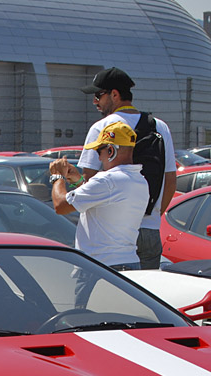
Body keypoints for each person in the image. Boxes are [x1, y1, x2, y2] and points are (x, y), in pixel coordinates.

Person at [75, 67, 177, 270]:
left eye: (98, 95)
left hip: (111, 237)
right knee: (144, 298)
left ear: (115, 94)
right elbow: (171, 181)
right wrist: (150, 214)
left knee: (101, 298)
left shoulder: (102, 127)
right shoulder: (159, 126)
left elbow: (89, 178)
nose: (95, 101)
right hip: (149, 229)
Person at [49, 121, 149, 281]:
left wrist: (57, 176)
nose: (99, 157)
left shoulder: (107, 180)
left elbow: (60, 206)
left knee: (84, 307)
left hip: (99, 267)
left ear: (110, 150)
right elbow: (103, 201)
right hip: (129, 264)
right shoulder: (140, 180)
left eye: (98, 151)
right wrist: (77, 181)